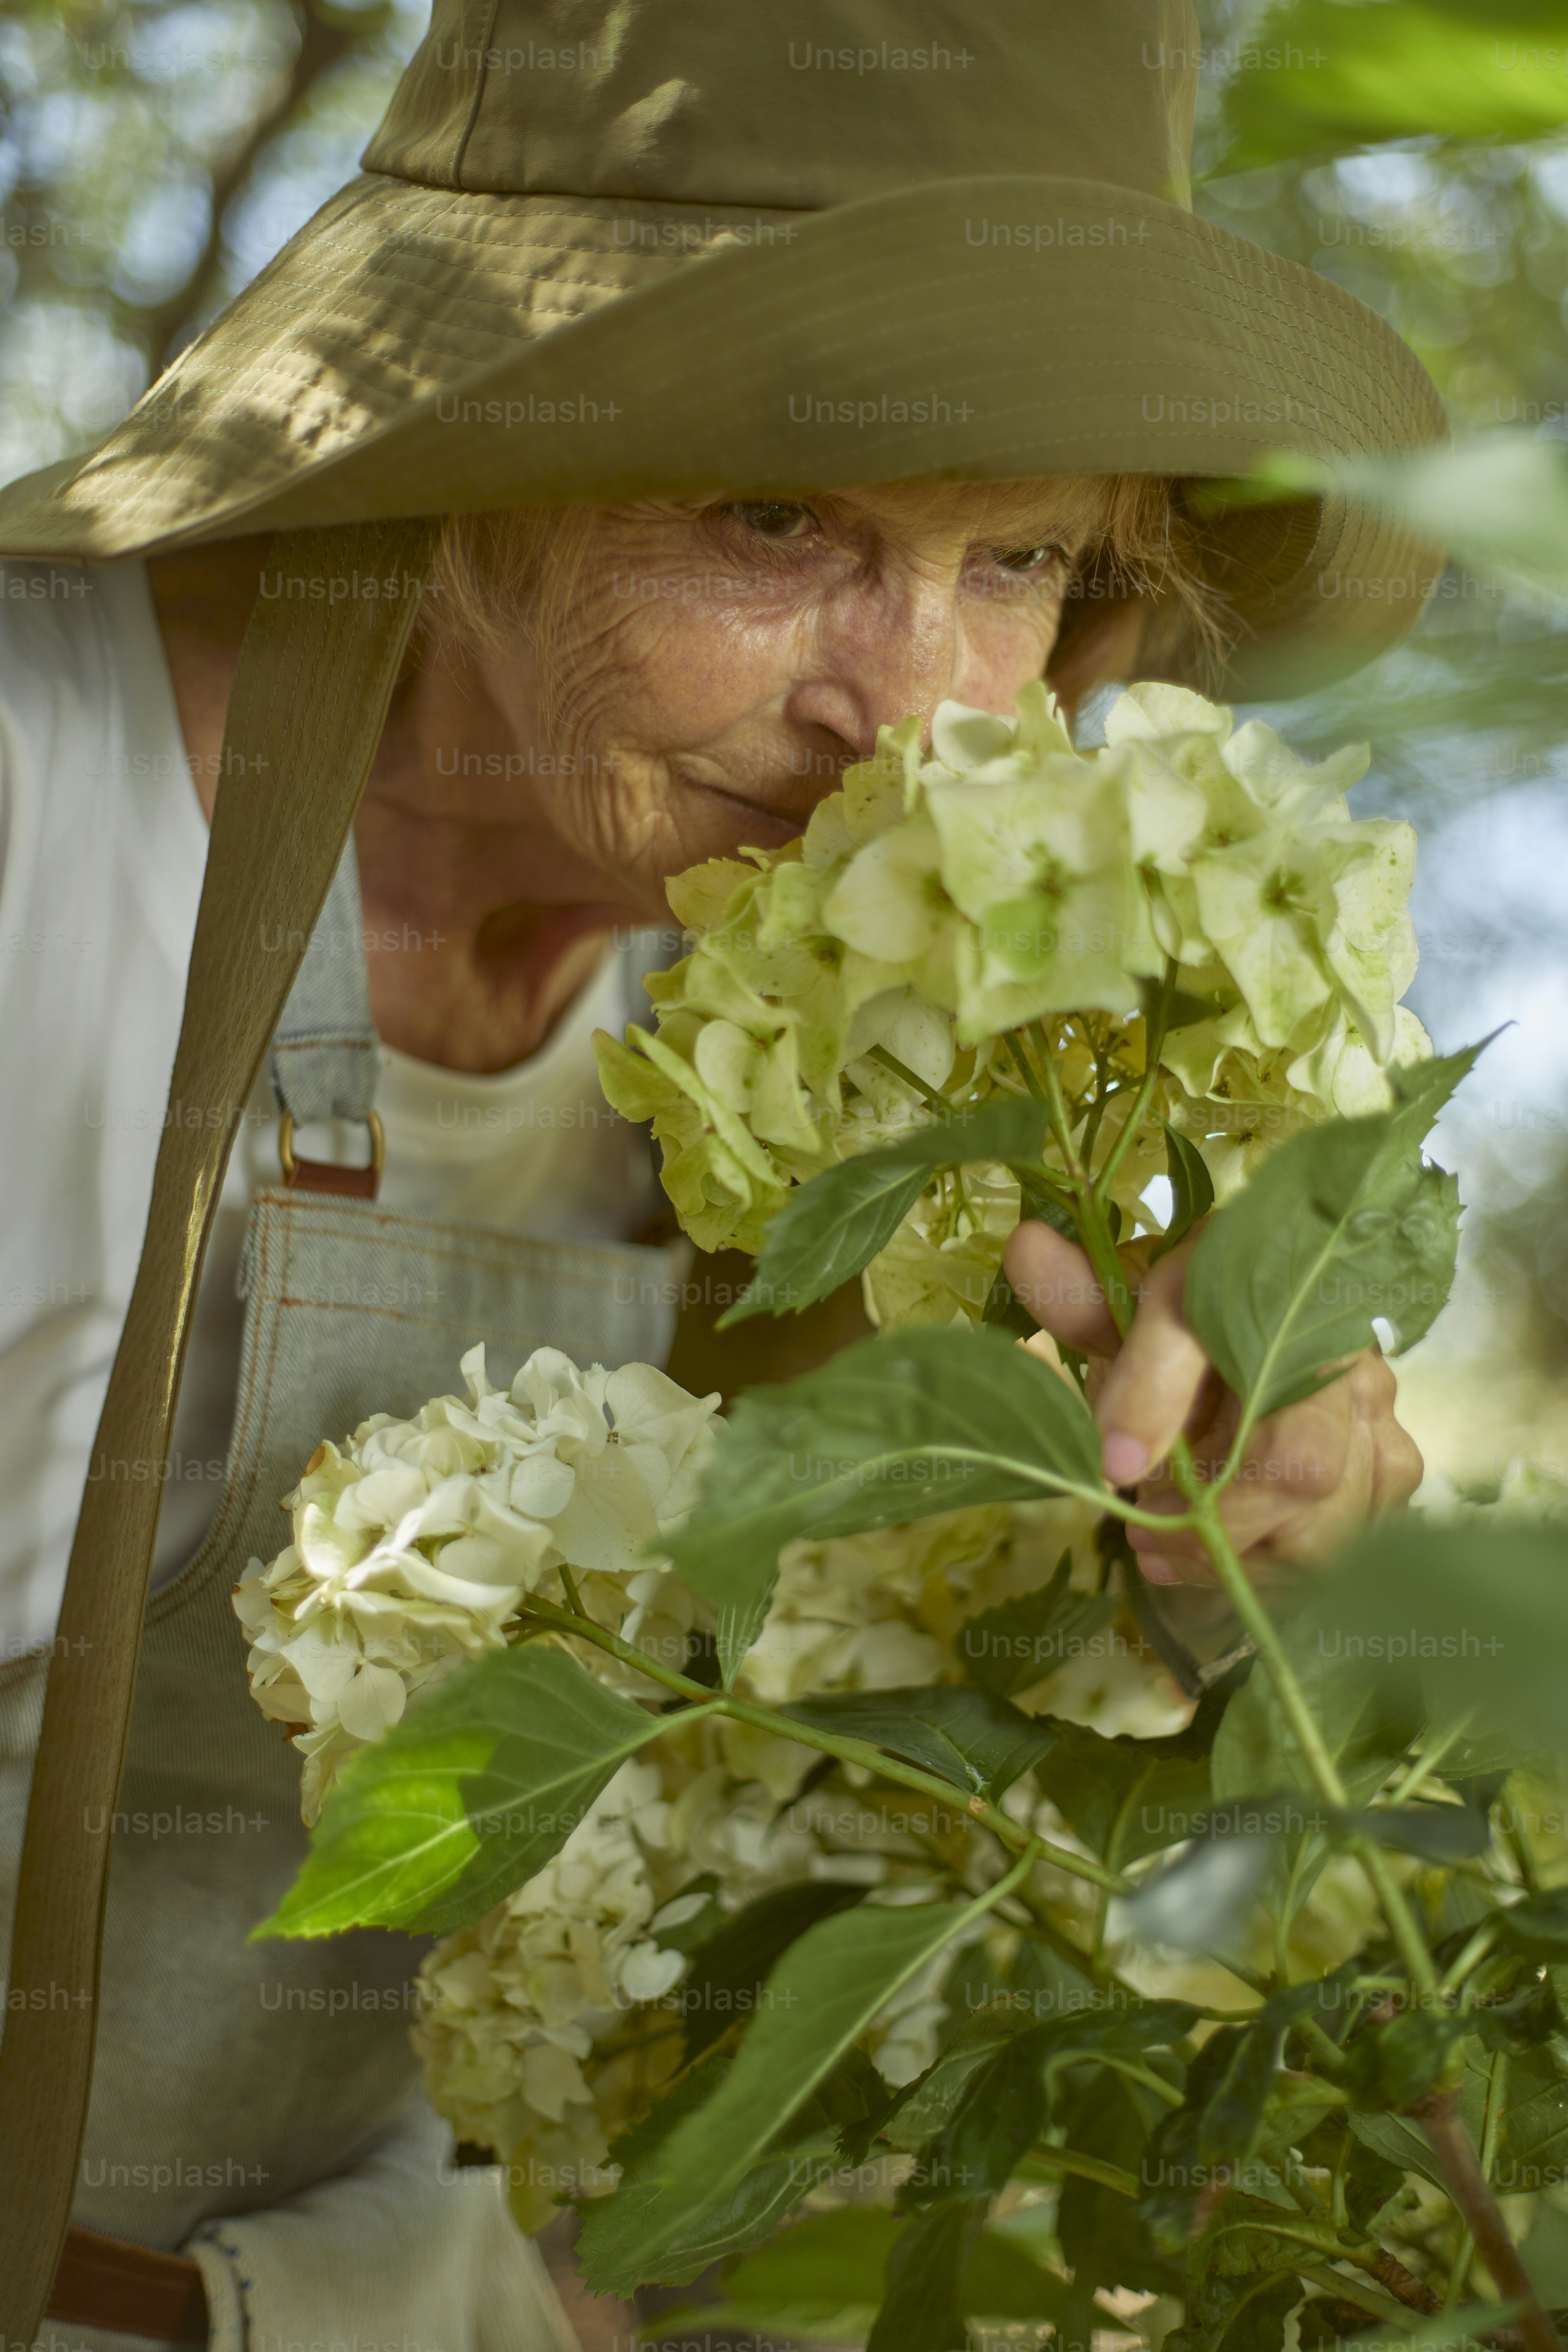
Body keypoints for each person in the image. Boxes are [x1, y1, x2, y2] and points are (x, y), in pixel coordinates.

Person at [0, 1, 1442, 2343]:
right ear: (453, 458)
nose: (920, 716)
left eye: (1026, 562)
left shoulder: (840, 1011)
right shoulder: (39, 817)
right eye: (779, 520)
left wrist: (1207, 1536)